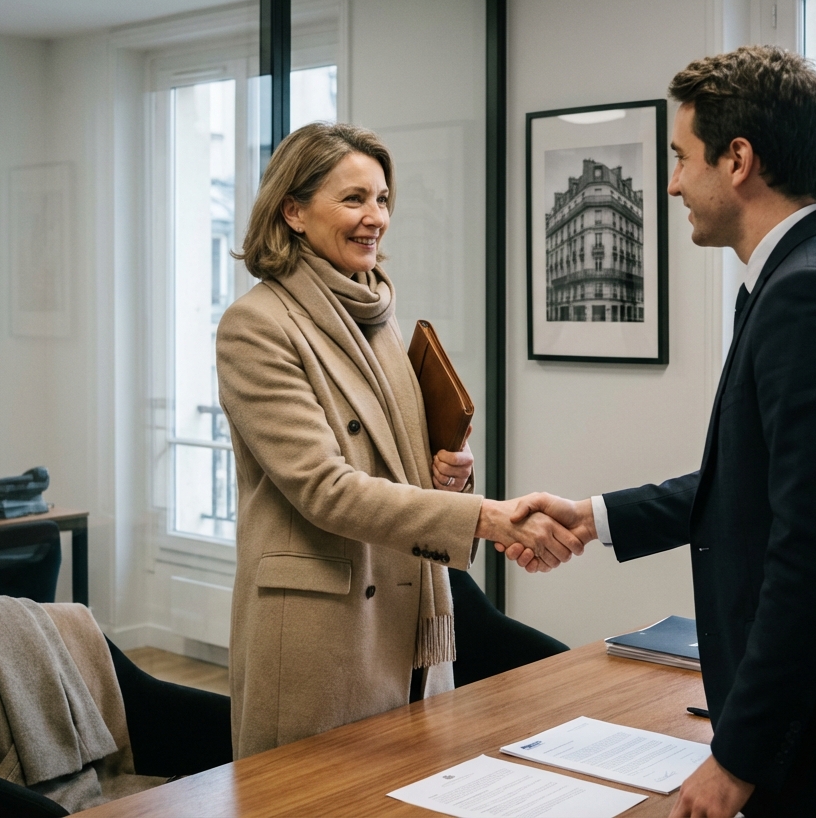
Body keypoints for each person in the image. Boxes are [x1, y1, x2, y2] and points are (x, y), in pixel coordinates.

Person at [508, 47, 816, 818]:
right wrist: (592, 518)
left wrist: (737, 758)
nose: (671, 184)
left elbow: (812, 557)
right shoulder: (809, 275)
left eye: (682, 158)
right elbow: (758, 486)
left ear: (739, 161)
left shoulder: (811, 295)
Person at [217, 122, 581, 759]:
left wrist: (450, 474)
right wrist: (485, 516)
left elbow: (395, 468)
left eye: (382, 199)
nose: (375, 218)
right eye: (353, 199)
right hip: (321, 635)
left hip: (406, 619)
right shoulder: (256, 326)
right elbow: (325, 489)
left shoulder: (379, 316)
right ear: (293, 210)